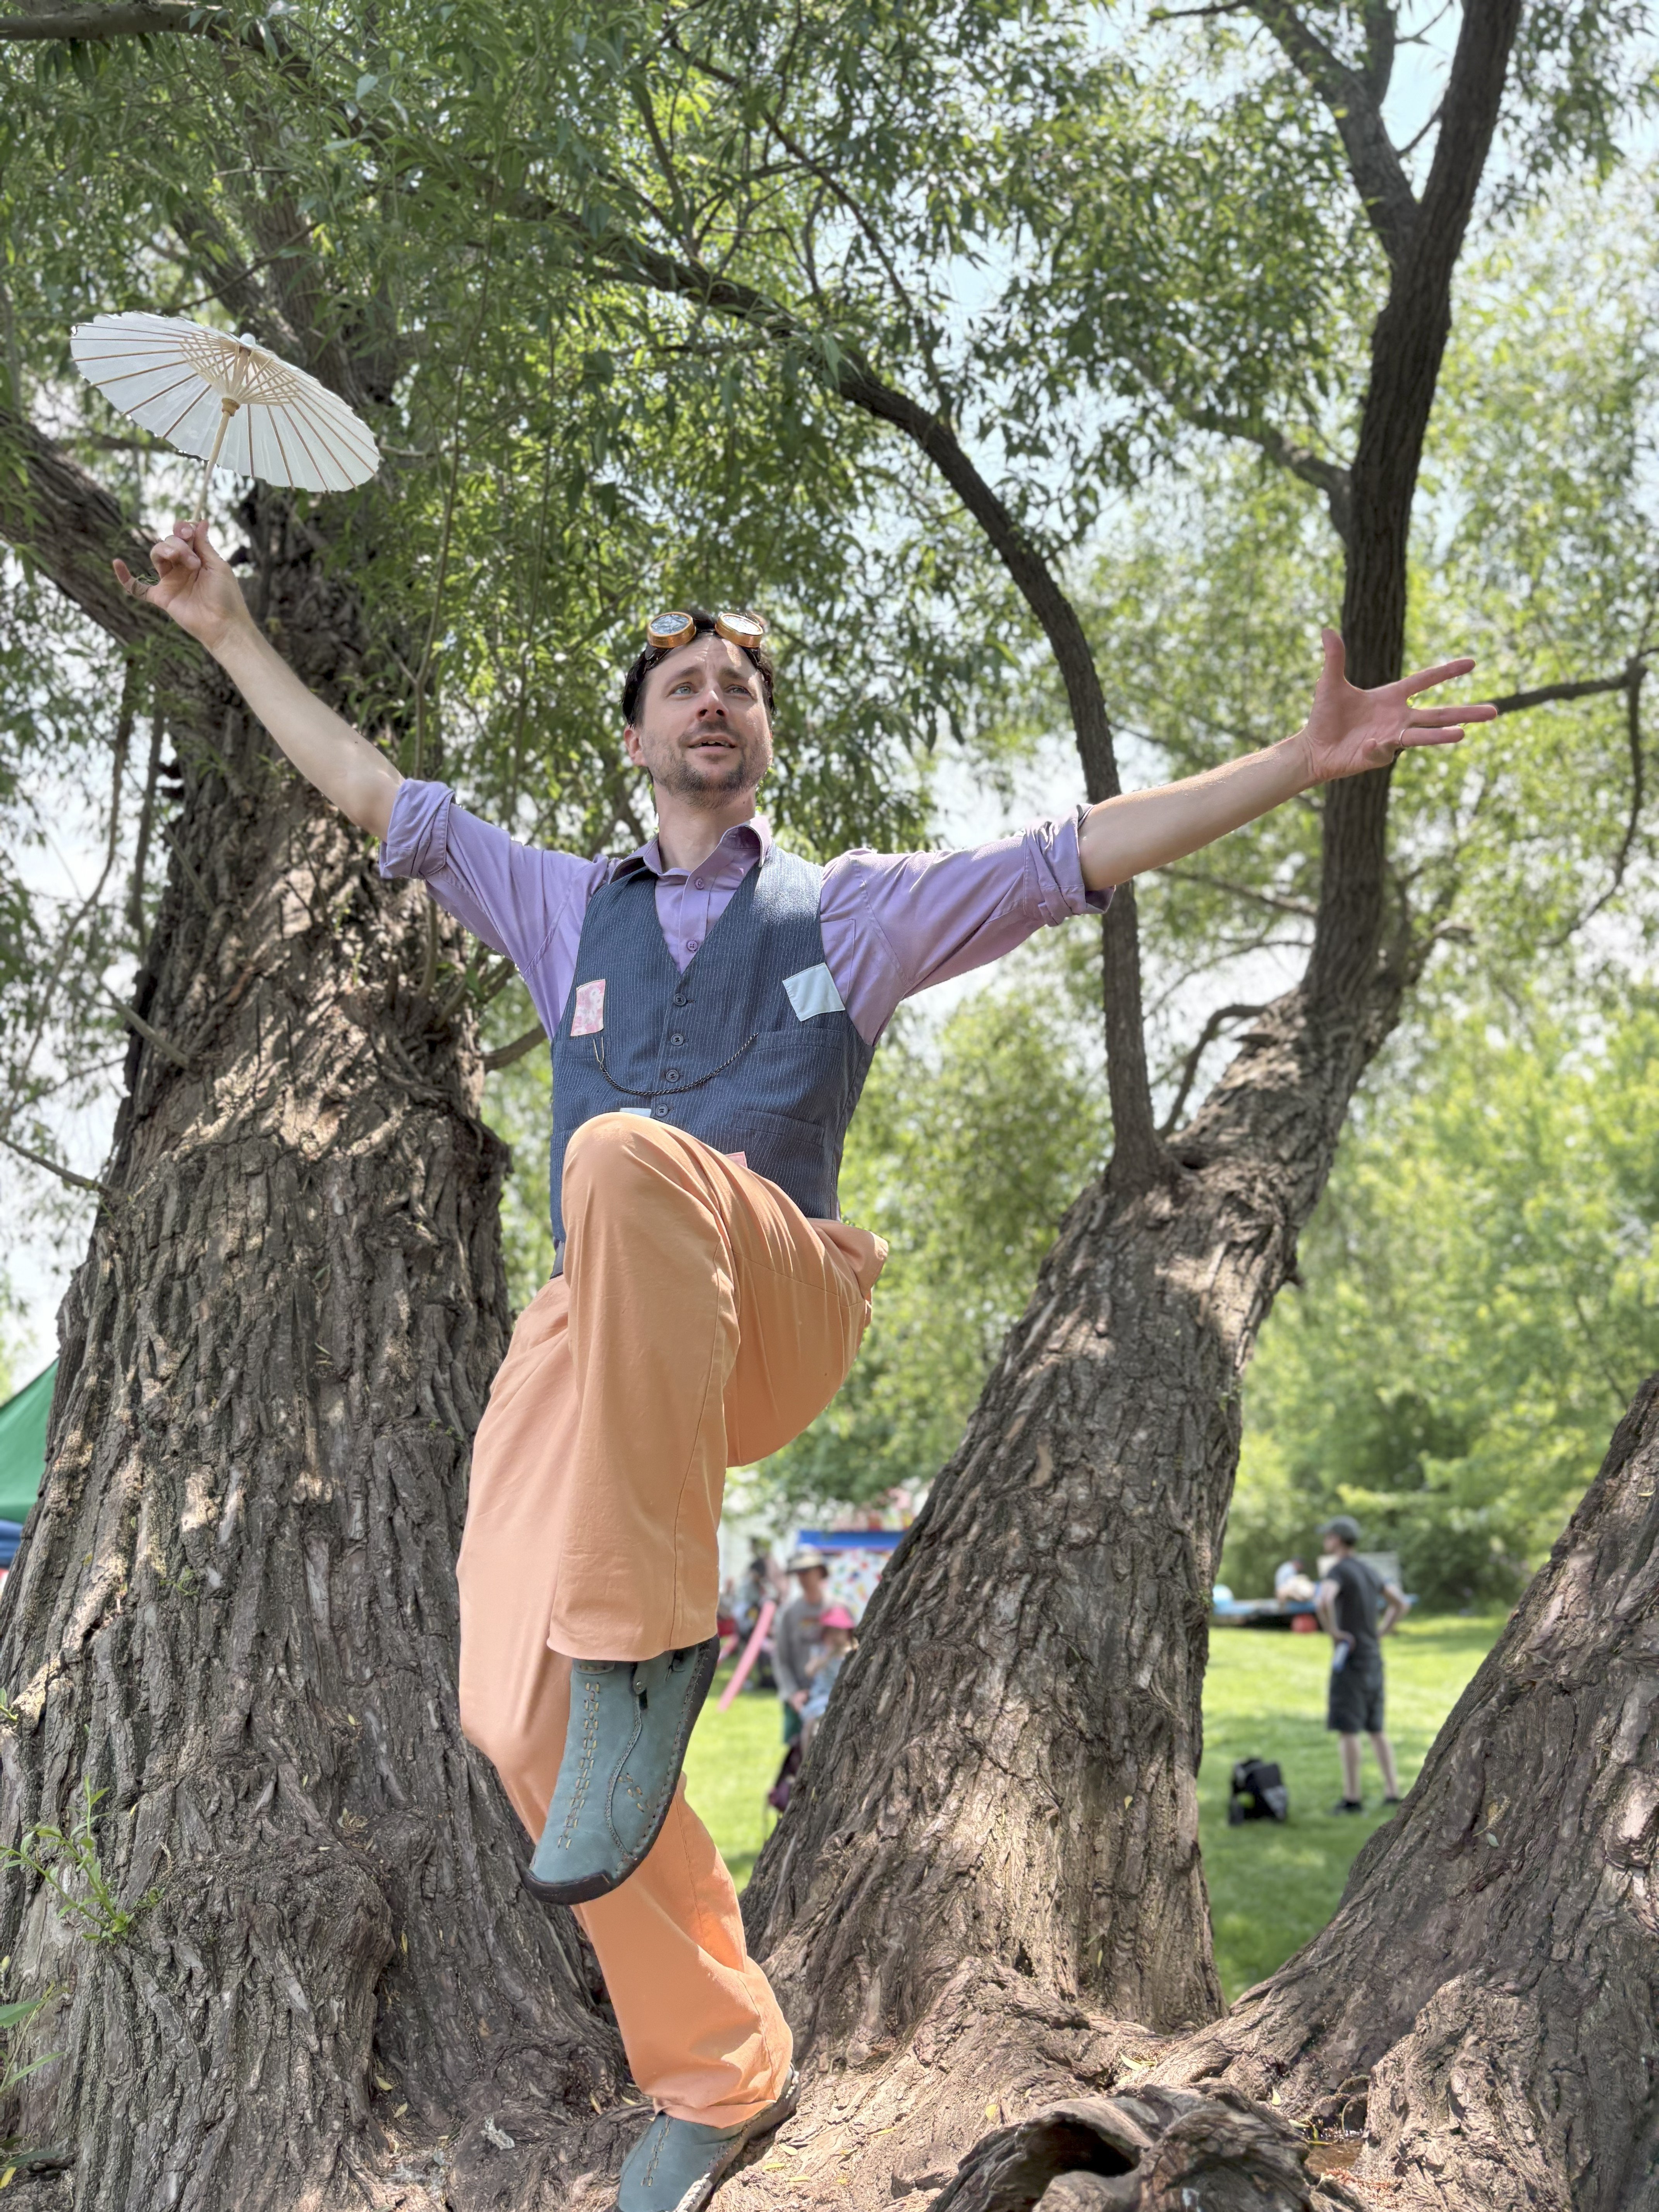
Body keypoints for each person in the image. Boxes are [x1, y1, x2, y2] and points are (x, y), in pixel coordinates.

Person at [115, 515, 1492, 2212]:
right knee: (504, 1708)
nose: (716, 698)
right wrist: (230, 625)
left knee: (617, 1155)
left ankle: (646, 1640)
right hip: (594, 1332)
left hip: (769, 1291)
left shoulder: (849, 915)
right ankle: (716, 2064)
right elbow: (373, 793)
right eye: (684, 682)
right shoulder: (563, 909)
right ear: (635, 737)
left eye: (741, 686)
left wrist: (1299, 759)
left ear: (760, 742)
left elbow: (1075, 851)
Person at [1316, 1515, 1410, 1813]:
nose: (1325, 1541)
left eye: (1328, 1536)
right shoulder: (1370, 1571)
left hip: (1352, 1659)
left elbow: (1322, 1601)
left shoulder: (1339, 1570)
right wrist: (1381, 1632)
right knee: (1376, 1728)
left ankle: (1352, 1799)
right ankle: (1393, 1791)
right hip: (1373, 1657)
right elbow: (1401, 1604)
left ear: (1337, 1539)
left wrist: (1333, 1632)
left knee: (1349, 1730)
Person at [771, 1547, 830, 1743]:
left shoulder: (837, 1609)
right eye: (799, 1572)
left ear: (820, 1572)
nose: (802, 1577)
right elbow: (781, 1660)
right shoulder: (788, 1614)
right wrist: (793, 1693)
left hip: (832, 1696)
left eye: (807, 1571)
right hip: (798, 1698)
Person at [800, 1605, 856, 1752]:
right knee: (812, 1724)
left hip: (842, 1698)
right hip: (822, 1696)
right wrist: (827, 1656)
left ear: (847, 1634)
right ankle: (806, 1757)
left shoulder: (851, 1654)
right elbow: (809, 1671)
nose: (834, 1636)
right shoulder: (820, 1652)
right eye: (830, 1632)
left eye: (839, 1632)